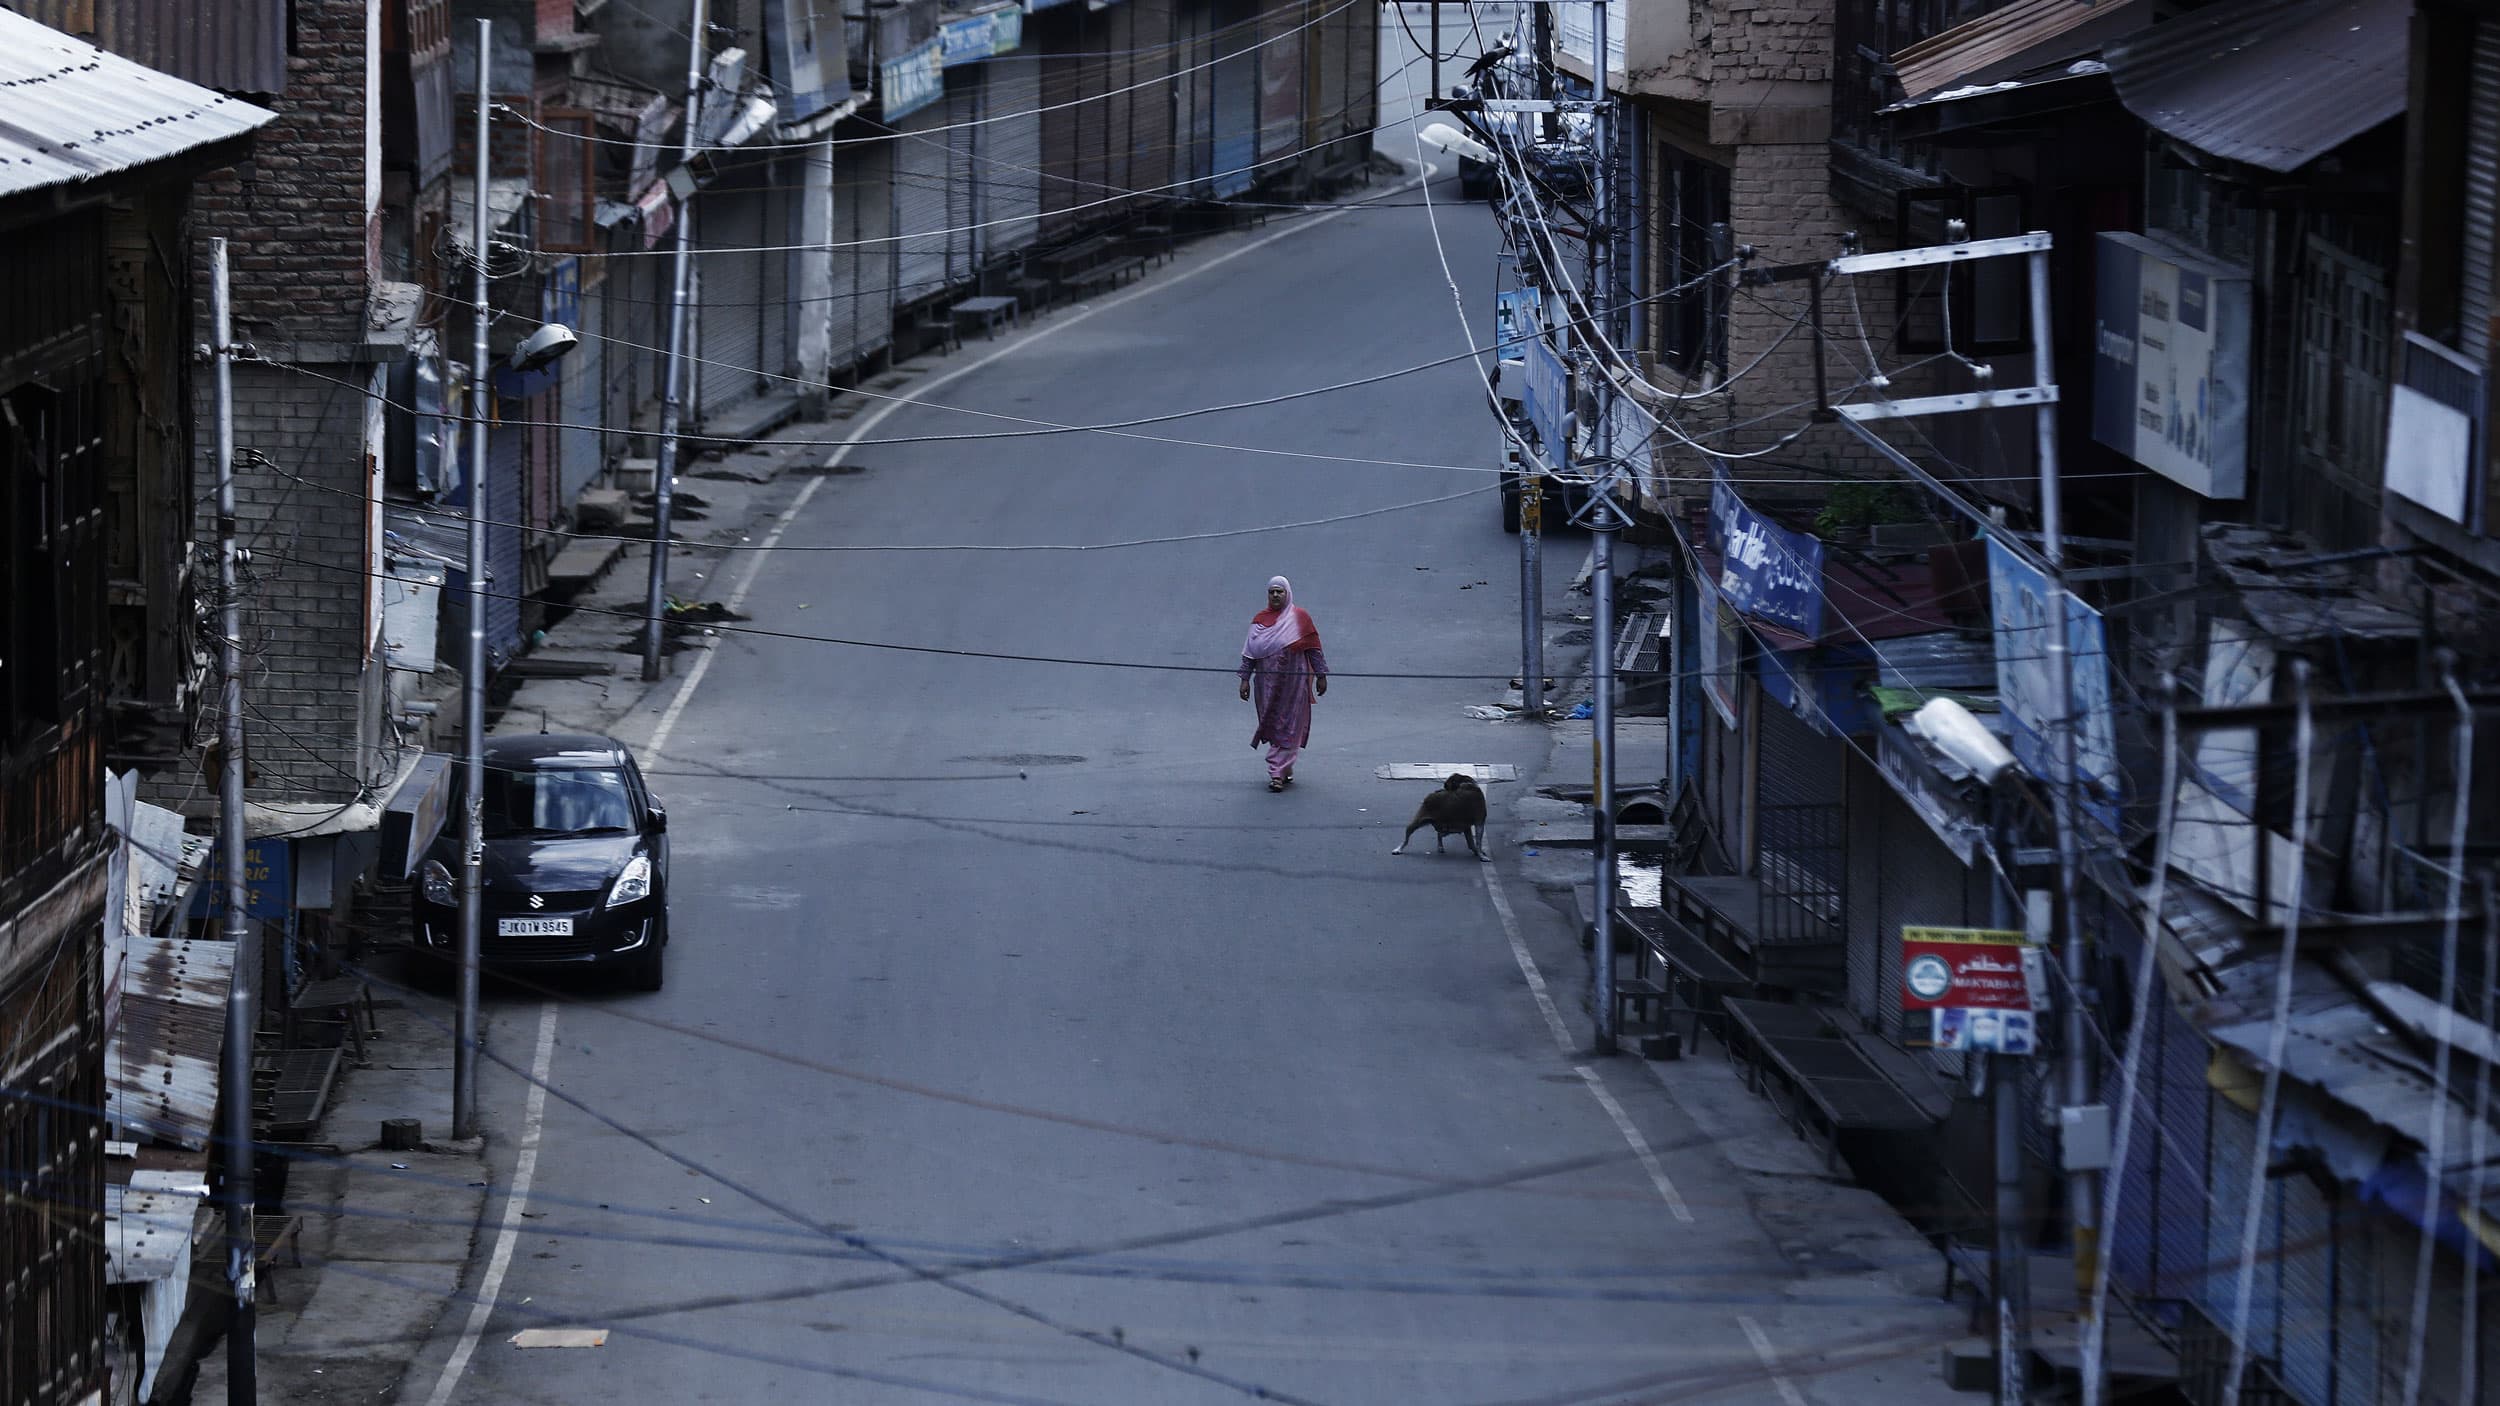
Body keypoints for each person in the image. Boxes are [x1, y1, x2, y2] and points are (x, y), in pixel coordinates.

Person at [1238, 575, 1329, 791]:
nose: (1276, 595)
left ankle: (1276, 772)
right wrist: (1244, 680)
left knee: (1291, 723)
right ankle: (1284, 767)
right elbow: (1249, 654)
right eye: (1272, 592)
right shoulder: (1260, 621)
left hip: (1294, 684)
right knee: (1273, 721)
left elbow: (1314, 649)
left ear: (1287, 594)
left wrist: (1321, 675)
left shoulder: (1300, 618)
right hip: (1266, 684)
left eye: (1280, 591)